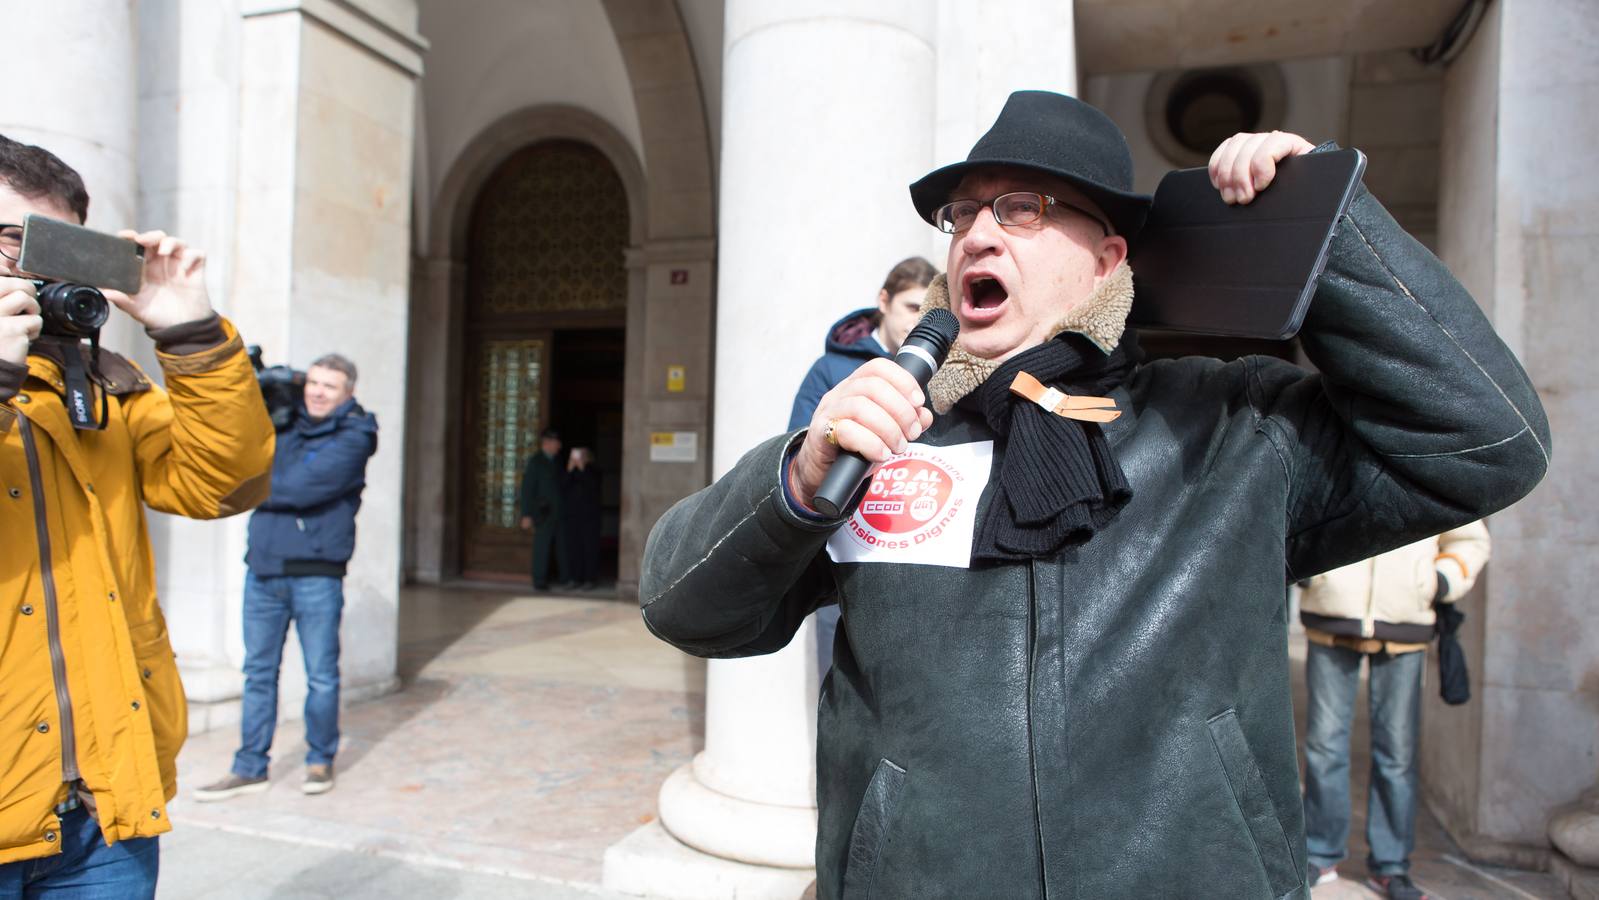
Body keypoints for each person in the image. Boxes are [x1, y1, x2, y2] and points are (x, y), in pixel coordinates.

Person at [638, 90, 1550, 898]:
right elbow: (685, 608)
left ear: (1109, 257)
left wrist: (1328, 231)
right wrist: (797, 479)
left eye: (1021, 208)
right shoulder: (889, 438)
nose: (977, 236)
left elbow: (1487, 443)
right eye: (961, 216)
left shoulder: (1232, 424)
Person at [0, 134, 275, 896]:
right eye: (4, 242)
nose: (25, 271)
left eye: (48, 248)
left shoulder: (101, 386)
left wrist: (186, 330)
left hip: (104, 807)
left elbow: (225, 483)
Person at [195, 354, 377, 801]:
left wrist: (255, 485)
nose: (317, 392)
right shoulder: (284, 422)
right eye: (312, 383)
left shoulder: (356, 434)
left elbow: (297, 487)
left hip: (317, 576)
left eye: (329, 387)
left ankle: (319, 760)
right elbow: (240, 461)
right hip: (263, 571)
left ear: (347, 394)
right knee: (257, 674)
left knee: (320, 676)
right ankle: (249, 766)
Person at [1299, 522, 1491, 899]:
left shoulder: (1432, 462)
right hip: (1331, 611)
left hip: (1406, 620)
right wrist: (1309, 569)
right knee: (1324, 748)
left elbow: (1470, 537)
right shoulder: (1335, 460)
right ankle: (1319, 853)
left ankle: (1390, 866)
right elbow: (1301, 512)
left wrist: (1440, 580)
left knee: (1397, 755)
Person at [787, 256, 938, 677]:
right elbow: (799, 453)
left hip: (917, 552)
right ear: (883, 301)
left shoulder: (941, 373)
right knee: (841, 691)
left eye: (928, 312)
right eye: (912, 307)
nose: (918, 321)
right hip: (841, 560)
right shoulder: (832, 370)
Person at [519, 428, 565, 590]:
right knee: (542, 547)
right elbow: (527, 489)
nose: (559, 445)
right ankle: (539, 580)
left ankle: (564, 577)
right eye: (556, 442)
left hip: (558, 512)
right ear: (547, 443)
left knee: (561, 546)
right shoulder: (536, 461)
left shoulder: (557, 461)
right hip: (542, 513)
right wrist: (526, 514)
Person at [562, 446, 603, 589]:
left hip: (590, 518)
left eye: (582, 455)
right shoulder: (570, 471)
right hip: (573, 517)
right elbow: (562, 487)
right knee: (574, 548)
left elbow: (593, 486)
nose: (579, 458)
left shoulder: (593, 470)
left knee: (589, 549)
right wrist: (569, 469)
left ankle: (590, 579)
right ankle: (574, 578)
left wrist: (582, 468)